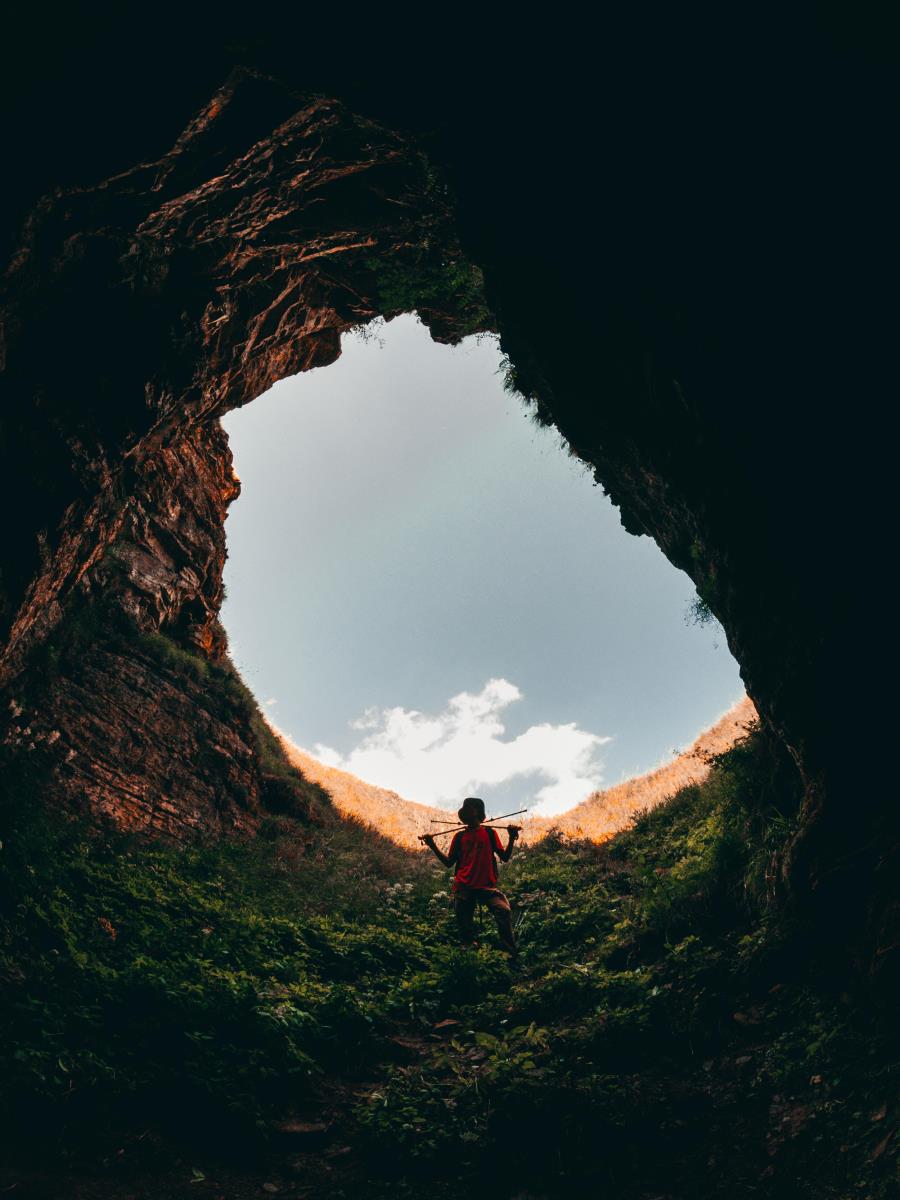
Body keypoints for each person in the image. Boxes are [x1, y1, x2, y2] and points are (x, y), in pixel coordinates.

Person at [422, 797, 520, 956]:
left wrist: (511, 837)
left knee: (503, 911)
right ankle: (471, 958)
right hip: (464, 887)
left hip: (487, 887)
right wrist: (432, 845)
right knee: (465, 931)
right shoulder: (459, 837)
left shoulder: (489, 833)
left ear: (477, 812)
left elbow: (505, 857)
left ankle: (511, 955)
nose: (468, 811)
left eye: (471, 808)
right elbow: (448, 863)